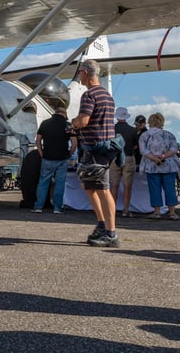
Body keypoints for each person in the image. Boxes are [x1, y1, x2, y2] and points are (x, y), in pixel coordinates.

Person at [70, 59, 120, 248]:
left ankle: (111, 233)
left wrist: (73, 123)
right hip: (104, 147)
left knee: (102, 189)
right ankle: (102, 225)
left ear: (84, 72)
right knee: (89, 187)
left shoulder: (89, 95)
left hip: (94, 148)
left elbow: (83, 120)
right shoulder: (107, 96)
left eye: (79, 73)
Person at [32, 106, 77, 214]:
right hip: (62, 158)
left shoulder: (45, 123)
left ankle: (38, 207)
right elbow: (74, 143)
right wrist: (69, 154)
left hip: (47, 157)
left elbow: (38, 140)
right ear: (65, 114)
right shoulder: (68, 125)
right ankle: (57, 208)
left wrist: (41, 152)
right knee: (59, 183)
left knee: (43, 182)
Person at [139, 112, 180, 220]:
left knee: (154, 189)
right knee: (170, 189)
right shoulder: (169, 134)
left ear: (149, 122)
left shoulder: (145, 135)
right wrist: (163, 156)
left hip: (151, 166)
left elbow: (143, 150)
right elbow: (173, 149)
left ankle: (156, 212)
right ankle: (172, 213)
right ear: (162, 122)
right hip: (169, 166)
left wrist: (155, 158)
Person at [111, 107, 138, 217]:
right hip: (128, 156)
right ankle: (125, 210)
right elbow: (136, 146)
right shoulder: (133, 130)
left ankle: (112, 209)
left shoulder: (111, 129)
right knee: (127, 185)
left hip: (114, 157)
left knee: (114, 185)